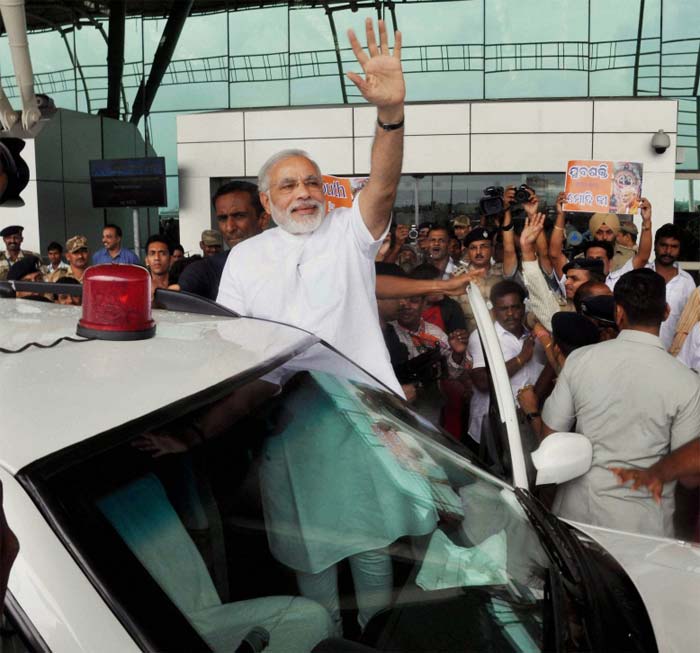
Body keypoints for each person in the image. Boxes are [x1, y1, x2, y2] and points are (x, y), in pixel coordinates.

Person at [216, 18, 406, 395]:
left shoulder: (348, 230)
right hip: (281, 410)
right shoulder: (244, 257)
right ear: (266, 203)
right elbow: (230, 344)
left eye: (312, 182)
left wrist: (390, 114)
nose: (304, 192)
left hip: (367, 403)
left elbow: (383, 187)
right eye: (288, 185)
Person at [540, 269, 700, 537]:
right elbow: (690, 478)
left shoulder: (580, 360)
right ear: (666, 311)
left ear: (618, 313)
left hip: (578, 518)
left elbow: (550, 440)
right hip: (643, 530)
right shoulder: (687, 383)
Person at [468, 280, 544, 444]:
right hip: (494, 430)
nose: (510, 314)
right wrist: (521, 358)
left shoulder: (536, 338)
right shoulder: (482, 337)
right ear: (494, 311)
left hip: (530, 423)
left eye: (515, 307)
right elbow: (482, 381)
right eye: (503, 309)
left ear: (523, 308)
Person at [176, 181, 269, 300]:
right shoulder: (203, 271)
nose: (229, 227)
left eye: (239, 216)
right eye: (222, 218)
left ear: (263, 219)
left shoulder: (289, 264)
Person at [646, 223, 695, 350]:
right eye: (664, 245)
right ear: (655, 246)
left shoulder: (687, 282)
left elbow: (691, 321)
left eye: (674, 247)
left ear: (680, 249)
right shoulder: (643, 276)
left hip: (674, 355)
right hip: (643, 350)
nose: (668, 251)